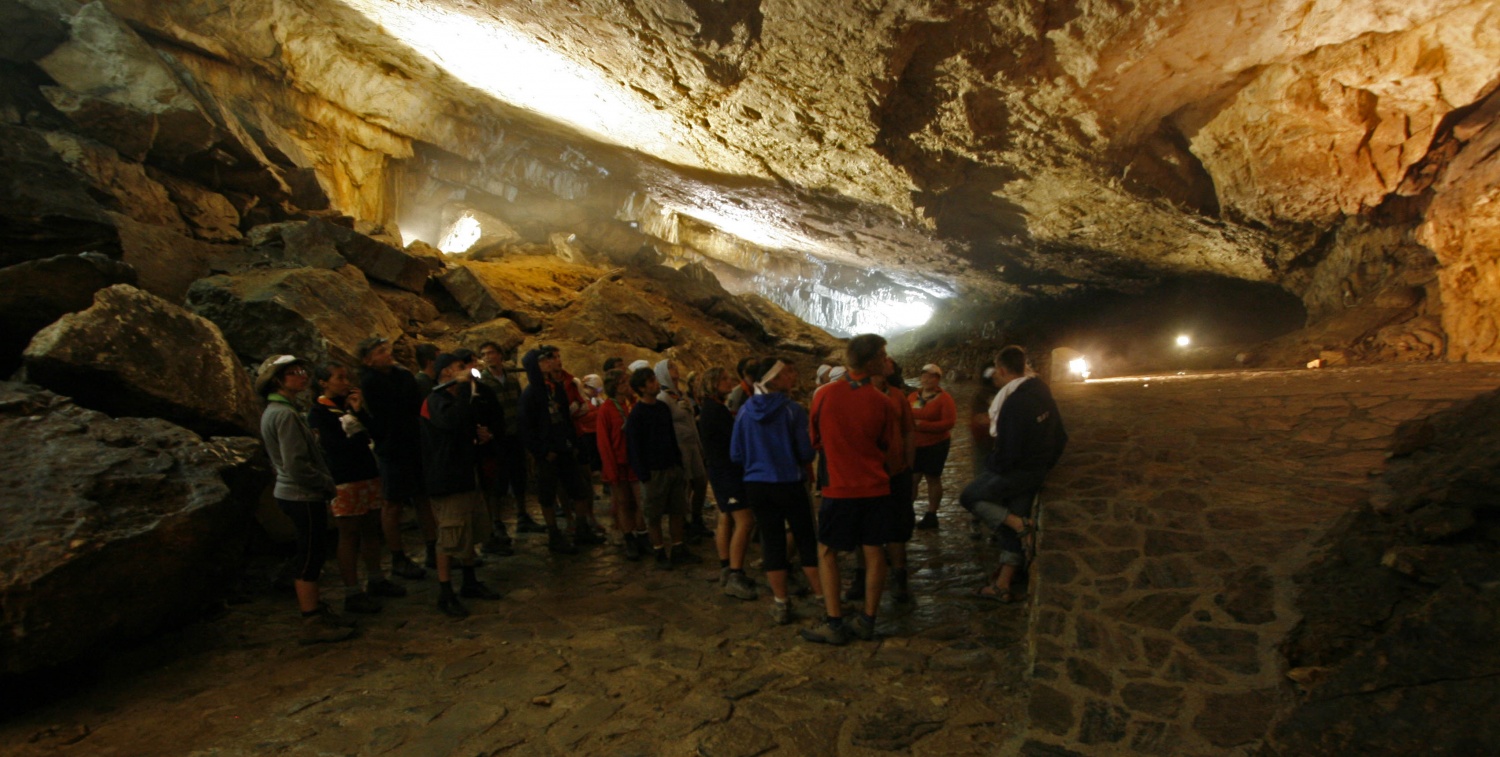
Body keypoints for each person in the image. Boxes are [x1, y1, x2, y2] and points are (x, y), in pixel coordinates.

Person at [804, 335, 901, 645]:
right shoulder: (883, 402)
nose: (887, 360)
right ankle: (868, 620)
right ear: (872, 360)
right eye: (883, 355)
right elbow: (890, 450)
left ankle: (834, 622)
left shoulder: (824, 395)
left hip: (839, 489)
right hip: (875, 488)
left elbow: (814, 440)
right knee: (874, 552)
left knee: (827, 552)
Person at [256, 354, 353, 645]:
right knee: (310, 556)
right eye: (294, 372)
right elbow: (297, 464)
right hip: (301, 494)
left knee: (310, 552)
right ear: (278, 380)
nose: (302, 376)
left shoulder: (280, 411)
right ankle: (312, 620)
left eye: (302, 370)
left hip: (295, 492)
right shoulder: (284, 414)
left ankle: (316, 613)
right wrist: (325, 484)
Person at [960, 346, 1068, 603]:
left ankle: (1021, 526)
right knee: (1009, 516)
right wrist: (1045, 465)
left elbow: (1008, 452)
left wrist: (992, 468)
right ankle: (1004, 583)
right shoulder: (1040, 389)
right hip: (1037, 468)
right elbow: (1061, 435)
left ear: (1002, 370)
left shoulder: (1012, 402)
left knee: (969, 497)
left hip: (1018, 471)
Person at [308, 361, 408, 616]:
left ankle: (376, 578)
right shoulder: (319, 412)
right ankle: (352, 591)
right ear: (323, 383)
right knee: (349, 533)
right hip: (344, 478)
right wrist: (357, 435)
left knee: (370, 529)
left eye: (345, 377)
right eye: (339, 378)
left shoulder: (347, 406)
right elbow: (334, 445)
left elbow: (372, 433)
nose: (345, 382)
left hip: (367, 473)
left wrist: (359, 412)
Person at [731, 358, 824, 624]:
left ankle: (781, 603)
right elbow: (806, 452)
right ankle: (822, 598)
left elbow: (735, 454)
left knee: (771, 542)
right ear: (773, 380)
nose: (791, 376)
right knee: (806, 539)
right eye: (784, 373)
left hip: (757, 486)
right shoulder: (792, 411)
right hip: (789, 483)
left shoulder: (745, 412)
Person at [420, 353, 504, 618]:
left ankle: (469, 581)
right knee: (450, 536)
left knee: (469, 530)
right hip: (448, 479)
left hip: (468, 474)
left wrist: (480, 435)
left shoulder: (461, 398)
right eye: (461, 367)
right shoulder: (436, 400)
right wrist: (467, 389)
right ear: (446, 372)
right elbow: (451, 423)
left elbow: (466, 425)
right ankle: (446, 593)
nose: (469, 370)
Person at [357, 336, 438, 579]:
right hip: (392, 450)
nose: (388, 354)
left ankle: (434, 548)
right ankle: (398, 557)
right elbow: (388, 414)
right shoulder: (370, 382)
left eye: (387, 349)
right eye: (381, 351)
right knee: (392, 504)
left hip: (413, 445)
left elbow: (414, 405)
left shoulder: (401, 375)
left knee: (423, 497)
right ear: (368, 360)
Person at [518, 346, 596, 553]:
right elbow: (526, 428)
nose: (552, 362)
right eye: (545, 360)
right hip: (548, 454)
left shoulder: (555, 388)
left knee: (578, 490)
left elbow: (565, 419)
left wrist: (572, 443)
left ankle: (581, 529)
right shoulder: (531, 394)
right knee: (548, 495)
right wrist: (542, 451)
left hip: (564, 449)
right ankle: (554, 535)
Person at [853, 359, 915, 605]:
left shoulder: (897, 396)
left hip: (895, 472)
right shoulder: (857, 397)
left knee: (897, 527)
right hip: (866, 473)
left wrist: (909, 466)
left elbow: (908, 431)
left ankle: (899, 576)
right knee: (864, 527)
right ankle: (862, 575)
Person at [626, 367, 699, 568]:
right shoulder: (637, 415)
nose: (655, 384)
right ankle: (659, 551)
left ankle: (678, 547)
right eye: (650, 381)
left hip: (671, 466)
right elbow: (634, 447)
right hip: (654, 471)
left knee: (677, 510)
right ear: (641, 388)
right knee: (654, 514)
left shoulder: (662, 408)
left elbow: (670, 436)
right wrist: (644, 474)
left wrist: (678, 464)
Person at [476, 341, 544, 534]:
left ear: (500, 355)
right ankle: (496, 521)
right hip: (497, 437)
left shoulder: (512, 379)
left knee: (519, 475)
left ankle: (522, 514)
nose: (488, 357)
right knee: (498, 480)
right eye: (484, 354)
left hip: (515, 434)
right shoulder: (483, 382)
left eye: (491, 353)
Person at [699, 367, 754, 600]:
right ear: (712, 383)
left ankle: (726, 566)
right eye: (723, 379)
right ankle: (735, 573)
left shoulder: (712, 408)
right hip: (726, 471)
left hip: (720, 470)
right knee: (745, 520)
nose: (728, 381)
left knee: (726, 518)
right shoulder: (715, 410)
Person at [460, 348, 515, 558]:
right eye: (469, 363)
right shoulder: (455, 393)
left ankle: (494, 525)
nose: (475, 366)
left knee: (492, 489)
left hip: (488, 449)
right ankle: (481, 534)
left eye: (475, 362)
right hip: (468, 453)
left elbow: (498, 416)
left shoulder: (485, 391)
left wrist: (490, 433)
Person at [655, 360, 711, 540]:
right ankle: (684, 522)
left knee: (701, 482)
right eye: (670, 367)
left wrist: (700, 446)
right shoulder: (662, 397)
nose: (676, 369)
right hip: (680, 446)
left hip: (692, 444)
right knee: (685, 485)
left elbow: (690, 423)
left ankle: (697, 518)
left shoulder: (679, 395)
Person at [596, 368, 645, 559]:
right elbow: (604, 441)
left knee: (641, 500)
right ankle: (629, 537)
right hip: (619, 462)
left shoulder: (633, 404)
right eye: (625, 382)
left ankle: (642, 534)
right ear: (616, 386)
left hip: (635, 461)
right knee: (624, 502)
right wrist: (610, 469)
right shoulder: (607, 409)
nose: (629, 386)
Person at [911, 364, 957, 530]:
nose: (927, 379)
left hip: (936, 445)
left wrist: (923, 425)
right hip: (916, 445)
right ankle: (908, 512)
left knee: (932, 478)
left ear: (938, 379)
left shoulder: (945, 399)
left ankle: (931, 514)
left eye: (931, 376)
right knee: (913, 479)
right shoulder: (914, 397)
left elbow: (949, 423)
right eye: (925, 376)